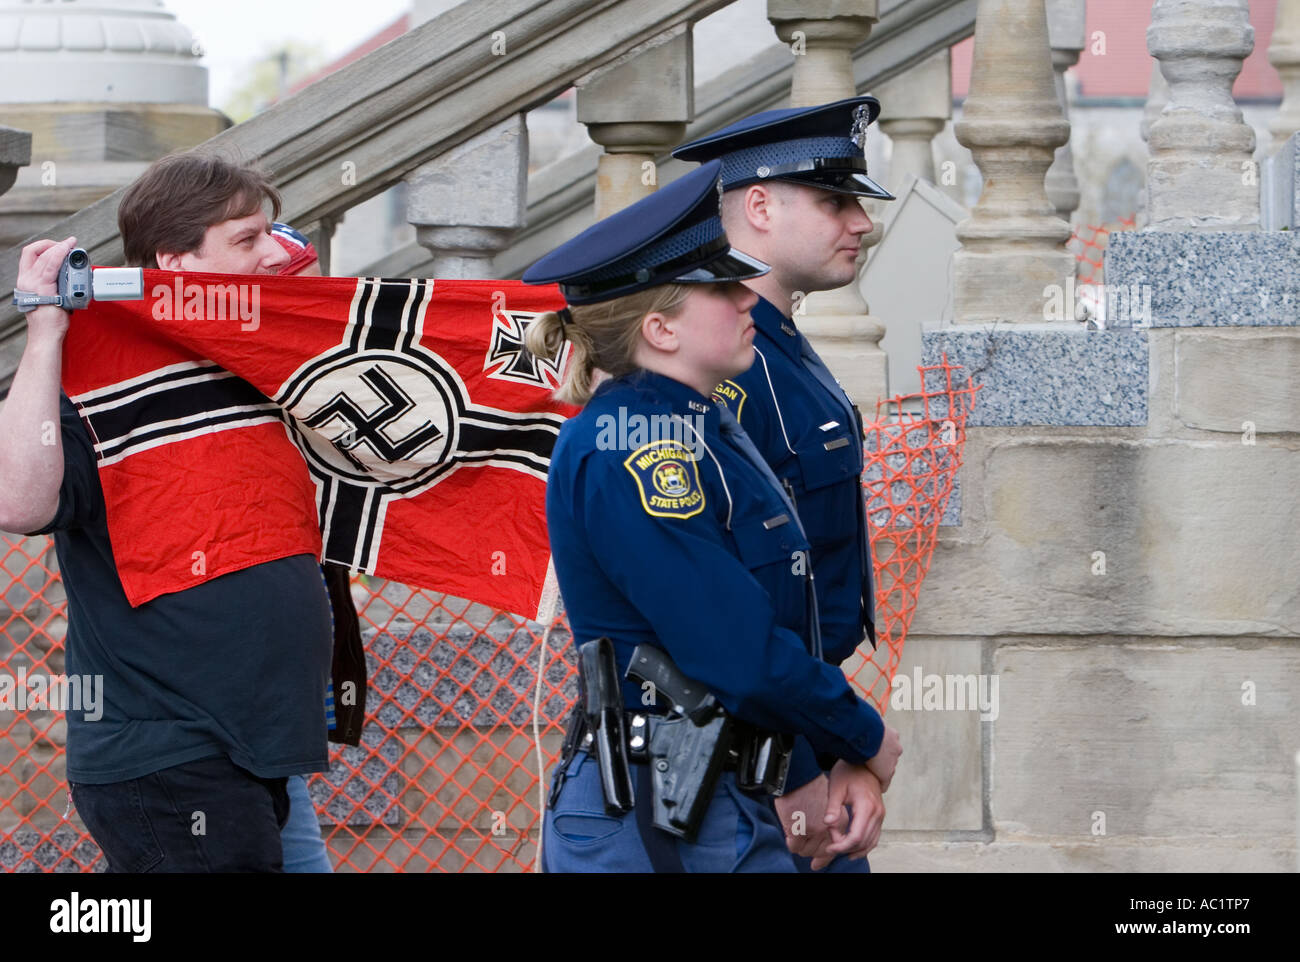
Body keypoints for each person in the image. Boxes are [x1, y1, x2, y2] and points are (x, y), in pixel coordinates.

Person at [522, 159, 901, 872]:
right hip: (661, 803)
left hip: (726, 787)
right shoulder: (638, 445)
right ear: (661, 329)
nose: (747, 300)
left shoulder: (702, 425)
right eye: (722, 288)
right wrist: (861, 733)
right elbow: (734, 648)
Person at [0, 150, 333, 872]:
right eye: (246, 240)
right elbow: (18, 504)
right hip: (170, 756)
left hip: (264, 750)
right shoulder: (97, 380)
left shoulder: (264, 362)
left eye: (272, 233)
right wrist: (47, 329)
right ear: (178, 264)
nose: (273, 253)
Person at [673, 97, 896, 872]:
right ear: (758, 206)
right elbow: (732, 608)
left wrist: (839, 748)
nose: (861, 223)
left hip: (806, 720)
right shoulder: (727, 369)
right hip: (750, 753)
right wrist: (804, 763)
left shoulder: (783, 346)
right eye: (836, 201)